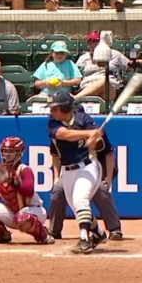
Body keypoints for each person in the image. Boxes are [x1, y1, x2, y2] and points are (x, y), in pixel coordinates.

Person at [48, 103, 123, 240]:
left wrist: (108, 179)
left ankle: (114, 228)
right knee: (59, 190)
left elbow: (109, 155)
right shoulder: (58, 129)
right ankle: (54, 229)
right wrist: (56, 177)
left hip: (94, 168)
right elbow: (56, 156)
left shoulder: (93, 129)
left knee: (101, 189)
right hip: (70, 170)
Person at [46, 91, 108, 254]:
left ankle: (84, 240)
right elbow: (62, 134)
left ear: (65, 107)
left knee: (81, 200)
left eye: (55, 108)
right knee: (77, 208)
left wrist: (95, 140)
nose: (52, 112)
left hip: (88, 167)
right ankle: (99, 234)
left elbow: (100, 145)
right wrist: (88, 134)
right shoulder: (53, 122)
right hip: (67, 170)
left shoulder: (84, 119)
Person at [0, 137, 55, 245]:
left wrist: (13, 182)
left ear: (19, 153)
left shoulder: (24, 170)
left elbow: (28, 191)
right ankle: (2, 234)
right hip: (13, 213)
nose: (7, 155)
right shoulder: (1, 172)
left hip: (34, 210)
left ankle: (43, 234)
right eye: (5, 151)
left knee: (21, 218)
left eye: (11, 152)